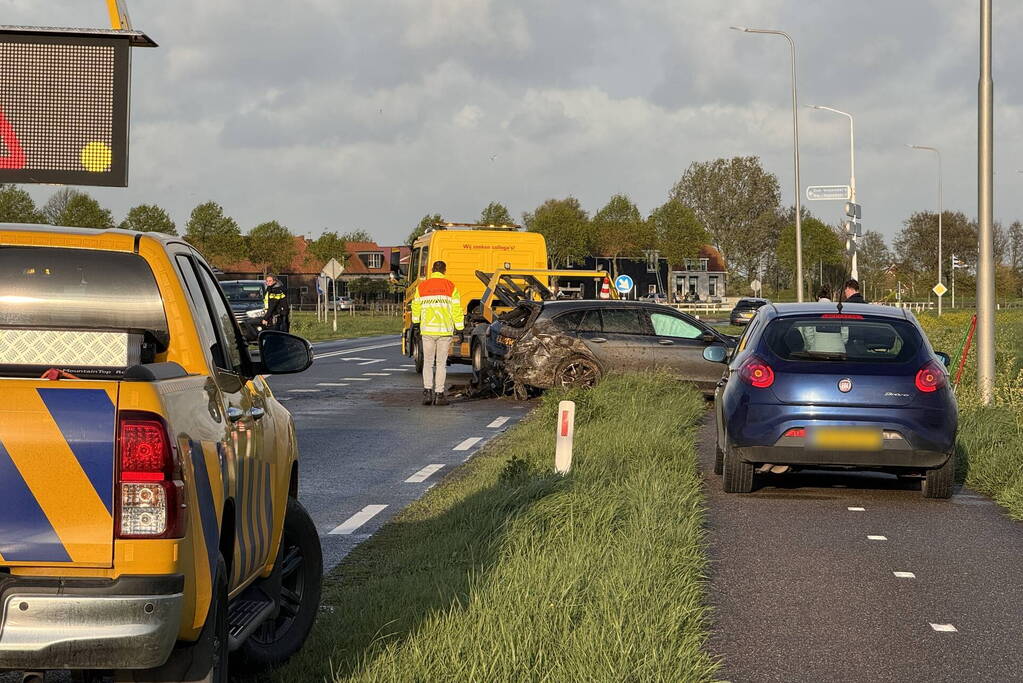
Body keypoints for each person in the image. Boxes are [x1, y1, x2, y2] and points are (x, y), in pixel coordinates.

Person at [411, 260, 463, 406]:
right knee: (441, 364)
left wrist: (416, 323)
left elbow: (416, 306)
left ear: (432, 270)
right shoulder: (450, 286)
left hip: (427, 330)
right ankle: (439, 395)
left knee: (427, 363)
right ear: (444, 271)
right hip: (444, 331)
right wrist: (459, 328)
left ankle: (427, 393)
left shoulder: (422, 286)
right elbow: (456, 309)